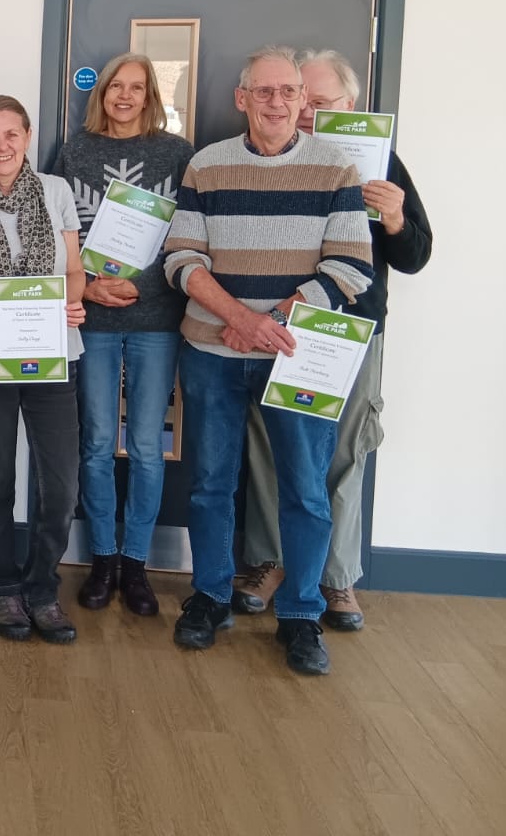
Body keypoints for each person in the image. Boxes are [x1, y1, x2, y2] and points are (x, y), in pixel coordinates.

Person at [163, 46, 373, 676]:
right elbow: (181, 260)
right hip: (212, 350)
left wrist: (269, 322)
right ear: (242, 98)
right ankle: (210, 596)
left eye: (288, 92)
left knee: (306, 491)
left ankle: (302, 615)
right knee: (209, 485)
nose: (276, 103)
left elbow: (350, 267)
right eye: (263, 92)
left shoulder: (336, 169)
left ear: (303, 102)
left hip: (298, 356)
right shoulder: (207, 165)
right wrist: (238, 318)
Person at [235, 48, 432, 632]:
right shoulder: (264, 154)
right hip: (279, 324)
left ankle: (336, 577)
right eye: (301, 101)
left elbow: (416, 256)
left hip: (350, 330)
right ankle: (269, 562)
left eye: (320, 105)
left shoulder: (380, 164)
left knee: (343, 455)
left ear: (350, 107)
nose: (305, 115)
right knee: (271, 450)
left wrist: (395, 218)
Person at [52, 54, 194, 617]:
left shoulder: (177, 153)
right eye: (117, 85)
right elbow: (60, 231)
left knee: (145, 449)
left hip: (156, 319)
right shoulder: (75, 150)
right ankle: (102, 558)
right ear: (103, 93)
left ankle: (137, 564)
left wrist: (143, 287)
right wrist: (86, 289)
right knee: (94, 441)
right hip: (94, 320)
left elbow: (189, 233)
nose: (125, 95)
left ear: (151, 94)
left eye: (137, 87)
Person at [0, 96, 87, 642]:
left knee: (60, 482)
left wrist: (76, 303)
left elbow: (74, 270)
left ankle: (41, 587)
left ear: (28, 137)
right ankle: (3, 588)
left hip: (54, 350)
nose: (1, 146)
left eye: (11, 134)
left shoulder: (55, 192)